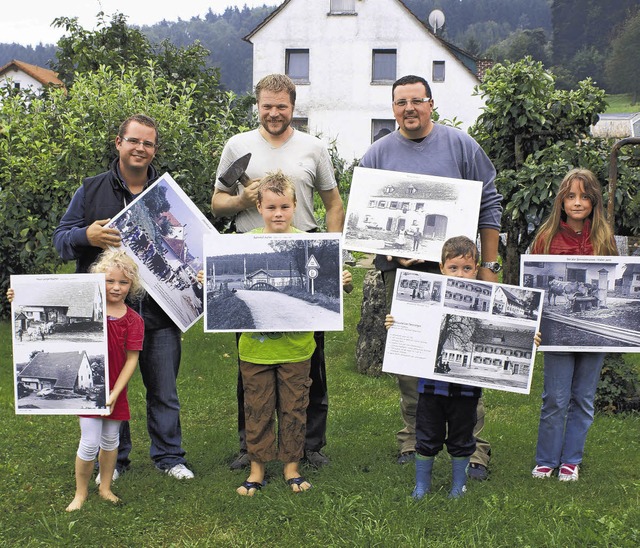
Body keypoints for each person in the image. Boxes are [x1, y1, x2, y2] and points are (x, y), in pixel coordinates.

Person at [359, 74, 503, 479]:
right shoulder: (377, 154)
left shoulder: (462, 147)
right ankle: (413, 438)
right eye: (400, 102)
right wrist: (388, 247)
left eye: (416, 101)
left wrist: (488, 267)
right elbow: (368, 215)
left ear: (431, 103)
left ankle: (473, 448)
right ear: (392, 109)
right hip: (401, 273)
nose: (409, 109)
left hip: (457, 270)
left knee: (463, 351)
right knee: (409, 354)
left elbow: (489, 204)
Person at [211, 74, 345, 470]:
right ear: (258, 106)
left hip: (304, 258)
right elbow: (217, 203)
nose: (273, 113)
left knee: (309, 361)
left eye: (281, 106)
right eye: (267, 106)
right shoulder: (237, 146)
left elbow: (334, 204)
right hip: (252, 252)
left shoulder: (313, 148)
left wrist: (334, 255)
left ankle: (309, 445)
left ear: (293, 106)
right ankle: (250, 446)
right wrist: (241, 199)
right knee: (251, 360)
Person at [52, 114, 194, 481]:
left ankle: (169, 457)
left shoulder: (166, 194)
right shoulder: (91, 190)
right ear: (119, 143)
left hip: (160, 313)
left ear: (154, 150)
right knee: (111, 387)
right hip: (108, 313)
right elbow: (61, 241)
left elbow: (188, 245)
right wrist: (87, 236)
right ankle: (116, 461)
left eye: (148, 143)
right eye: (134, 141)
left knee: (164, 390)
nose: (140, 148)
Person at [201, 172, 352, 495]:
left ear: (296, 206)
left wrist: (342, 283)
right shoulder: (246, 241)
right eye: (271, 207)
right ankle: (256, 469)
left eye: (285, 206)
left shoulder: (311, 243)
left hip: (298, 351)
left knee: (294, 408)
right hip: (254, 352)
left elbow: (331, 284)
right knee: (257, 407)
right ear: (259, 207)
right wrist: (206, 279)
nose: (279, 213)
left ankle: (291, 467)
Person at [7, 250, 145, 511]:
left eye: (124, 282)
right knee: (90, 441)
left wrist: (116, 392)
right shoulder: (86, 313)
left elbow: (131, 359)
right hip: (93, 392)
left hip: (116, 391)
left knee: (111, 441)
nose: (116, 287)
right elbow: (41, 299)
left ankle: (105, 487)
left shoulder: (134, 320)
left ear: (132, 285)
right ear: (98, 280)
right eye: (109, 280)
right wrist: (19, 296)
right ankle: (80, 493)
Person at [530, 168, 617, 481]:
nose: (577, 202)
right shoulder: (546, 238)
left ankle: (571, 460)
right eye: (570, 196)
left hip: (593, 343)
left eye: (583, 196)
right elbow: (532, 288)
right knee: (554, 397)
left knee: (582, 397)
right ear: (561, 202)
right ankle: (546, 459)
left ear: (593, 201)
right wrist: (534, 322)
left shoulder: (604, 239)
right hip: (556, 337)